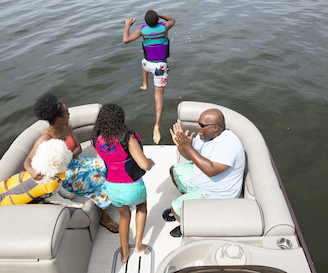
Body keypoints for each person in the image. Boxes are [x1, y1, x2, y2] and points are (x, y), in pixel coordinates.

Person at [24, 92, 119, 233]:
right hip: (62, 175)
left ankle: (112, 197)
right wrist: (31, 171)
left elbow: (78, 147)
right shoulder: (45, 138)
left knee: (104, 165)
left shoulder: (66, 127)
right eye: (67, 113)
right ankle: (104, 218)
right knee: (100, 181)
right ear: (59, 119)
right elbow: (28, 160)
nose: (69, 115)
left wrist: (67, 157)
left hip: (73, 161)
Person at [167, 108, 246, 237]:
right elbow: (189, 156)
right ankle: (191, 207)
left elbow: (211, 170)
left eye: (202, 125)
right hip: (202, 181)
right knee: (174, 171)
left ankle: (189, 226)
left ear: (215, 127)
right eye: (198, 123)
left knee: (175, 208)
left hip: (218, 194)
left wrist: (188, 146)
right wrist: (181, 145)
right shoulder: (204, 135)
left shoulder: (229, 144)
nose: (198, 127)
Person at [92, 103, 155, 263]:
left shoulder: (97, 139)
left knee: (124, 217)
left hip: (112, 188)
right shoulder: (128, 137)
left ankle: (124, 253)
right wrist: (151, 162)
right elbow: (144, 165)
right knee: (141, 207)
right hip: (132, 187)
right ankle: (139, 245)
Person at [123, 10, 176, 144]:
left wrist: (127, 25)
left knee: (143, 62)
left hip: (147, 65)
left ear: (146, 22)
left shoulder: (142, 30)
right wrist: (161, 15)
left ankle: (145, 83)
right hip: (160, 68)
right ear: (158, 20)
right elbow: (172, 20)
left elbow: (125, 40)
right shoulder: (164, 27)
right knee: (158, 98)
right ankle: (156, 126)